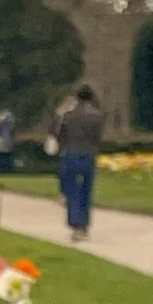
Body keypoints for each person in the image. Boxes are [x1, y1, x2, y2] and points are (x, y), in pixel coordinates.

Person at [52, 84, 105, 240]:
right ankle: (85, 225)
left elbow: (59, 135)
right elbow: (98, 138)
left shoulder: (68, 116)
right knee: (86, 191)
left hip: (71, 154)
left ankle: (76, 225)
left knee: (72, 191)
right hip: (89, 155)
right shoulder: (97, 116)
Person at [0, 108, 16, 175]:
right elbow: (12, 132)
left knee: (3, 156)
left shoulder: (1, 122)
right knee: (4, 156)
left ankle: (3, 168)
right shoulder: (9, 122)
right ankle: (5, 169)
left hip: (1, 140)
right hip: (3, 140)